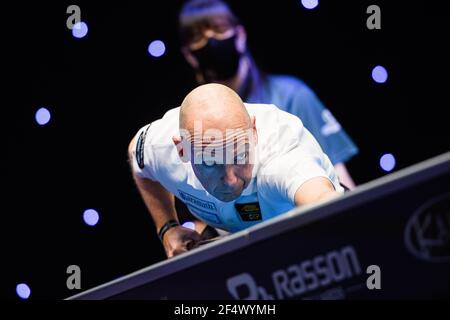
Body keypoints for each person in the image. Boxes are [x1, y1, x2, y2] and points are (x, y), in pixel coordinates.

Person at [128, 83, 344, 258]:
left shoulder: (281, 155)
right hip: (232, 237)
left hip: (307, 238)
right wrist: (167, 228)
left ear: (254, 132)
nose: (230, 180)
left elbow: (320, 197)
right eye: (210, 163)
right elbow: (135, 155)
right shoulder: (160, 148)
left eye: (240, 156)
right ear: (182, 149)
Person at [178, 0, 358, 189]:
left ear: (240, 35)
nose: (210, 41)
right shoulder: (187, 120)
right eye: (198, 37)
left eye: (219, 29)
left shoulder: (293, 96)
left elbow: (339, 179)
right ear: (189, 54)